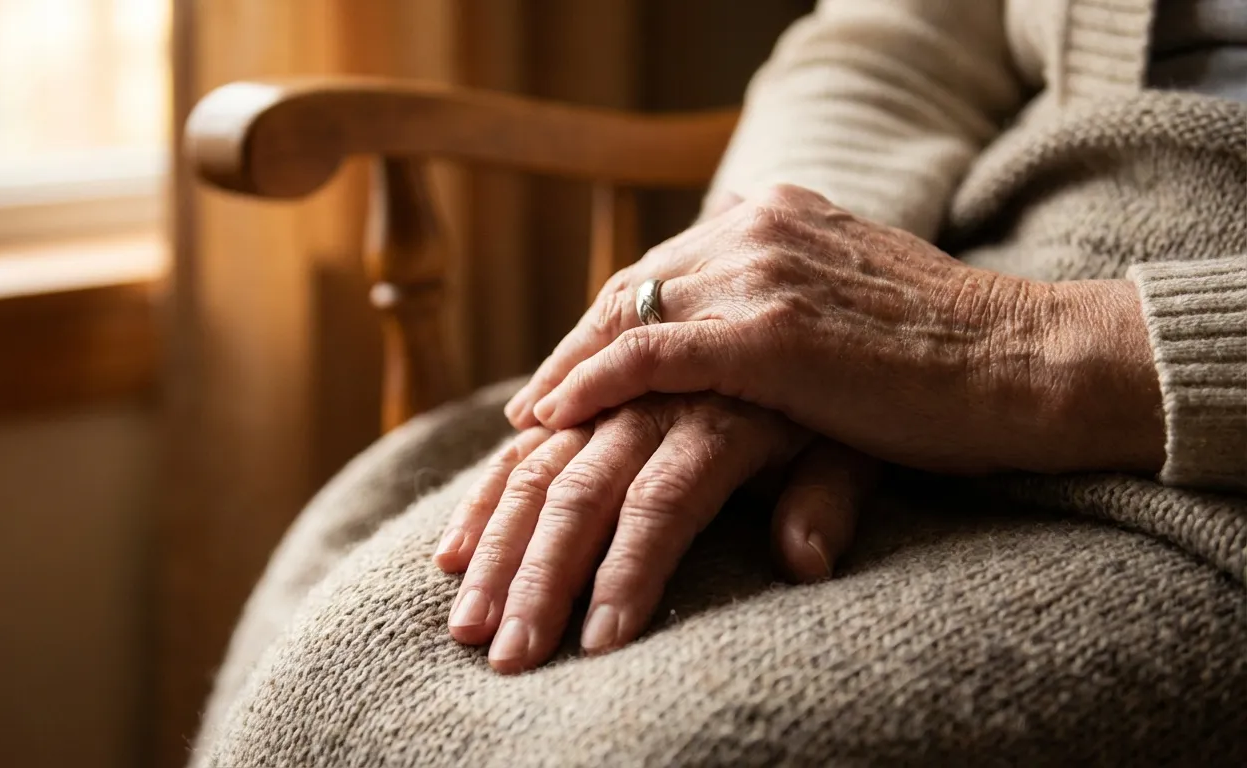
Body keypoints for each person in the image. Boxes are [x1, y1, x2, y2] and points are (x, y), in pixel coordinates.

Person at [196, 1, 1247, 764]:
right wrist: (774, 314)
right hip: (944, 293)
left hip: (1175, 428)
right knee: (340, 643)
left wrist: (1018, 350)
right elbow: (892, 47)